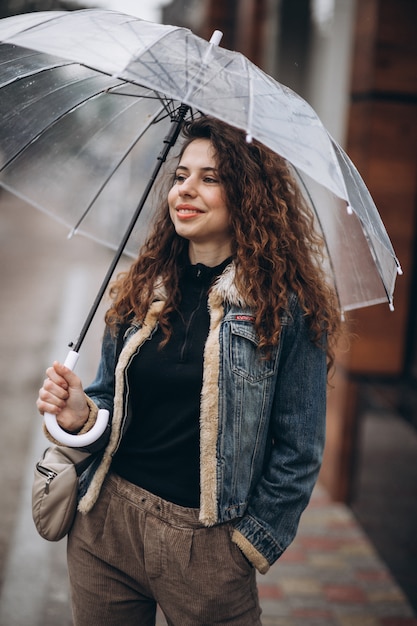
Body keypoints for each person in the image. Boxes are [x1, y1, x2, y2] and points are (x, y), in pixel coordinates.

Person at [37, 116, 341, 626]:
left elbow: (299, 449)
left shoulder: (286, 309)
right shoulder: (144, 285)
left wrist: (247, 545)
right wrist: (80, 413)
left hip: (206, 551)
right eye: (181, 175)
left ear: (248, 194)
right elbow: (109, 398)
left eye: (210, 178)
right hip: (106, 525)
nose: (187, 190)